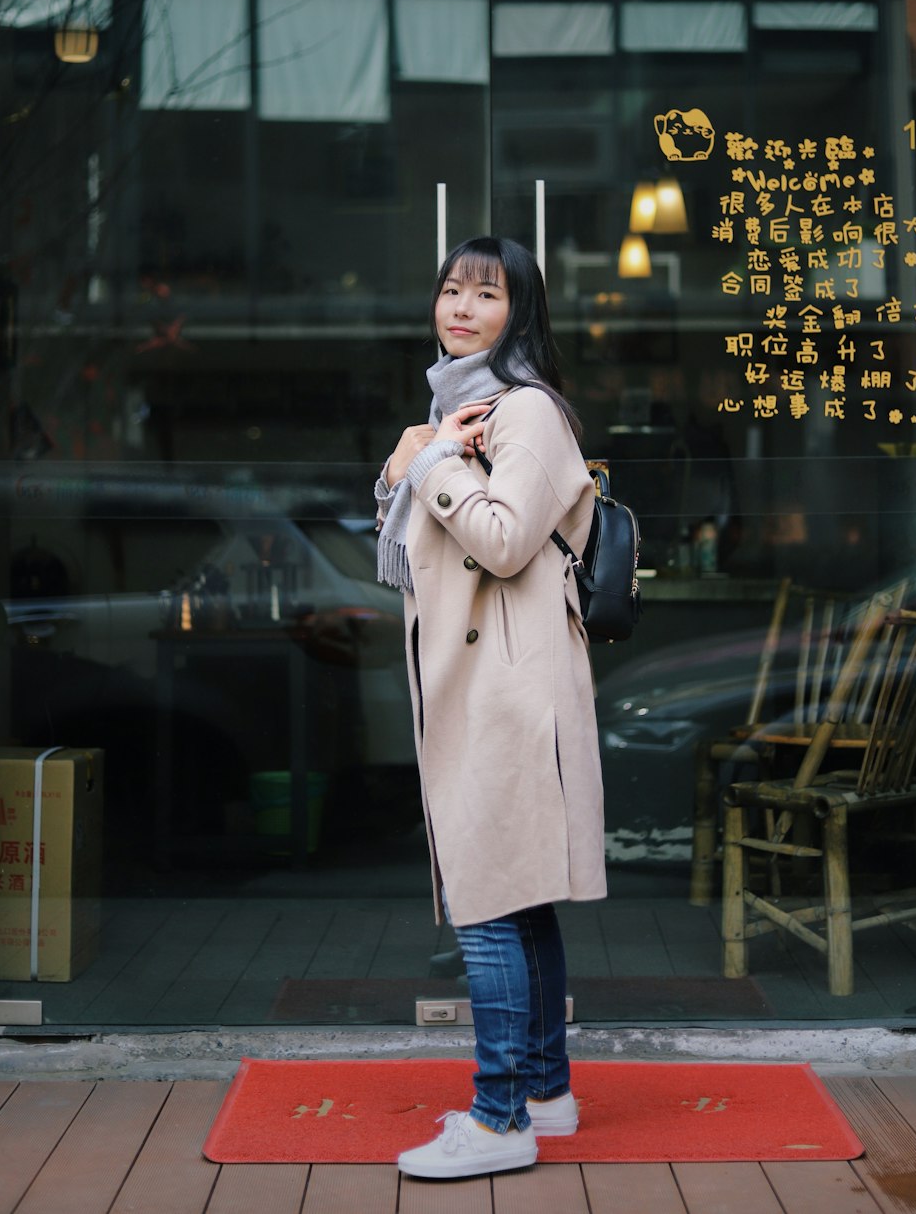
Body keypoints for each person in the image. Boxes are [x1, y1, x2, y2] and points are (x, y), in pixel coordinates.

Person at [374, 236, 607, 1179]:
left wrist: (431, 465)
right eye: (450, 289)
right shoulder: (458, 414)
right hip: (489, 685)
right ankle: (546, 1095)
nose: (460, 306)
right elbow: (412, 541)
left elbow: (505, 540)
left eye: (486, 292)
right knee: (519, 898)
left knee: (486, 903)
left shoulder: (530, 414)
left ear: (522, 312)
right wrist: (408, 459)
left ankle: (500, 1118)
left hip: (511, 694)